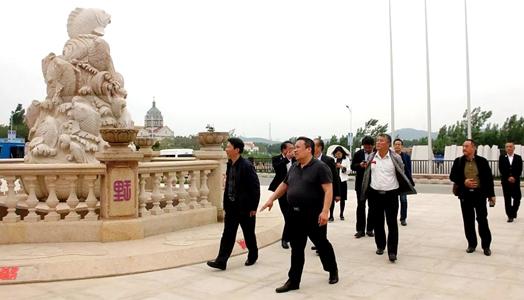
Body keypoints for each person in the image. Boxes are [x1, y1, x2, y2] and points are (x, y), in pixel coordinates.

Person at [261, 137, 339, 293]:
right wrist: (271, 199)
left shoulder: (320, 167)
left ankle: (332, 269)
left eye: (297, 147)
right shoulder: (294, 167)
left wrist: (325, 211)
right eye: (293, 148)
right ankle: (293, 280)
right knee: (296, 249)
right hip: (294, 215)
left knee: (321, 244)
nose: (294, 150)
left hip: (313, 214)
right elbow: (284, 184)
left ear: (308, 149)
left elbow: (328, 190)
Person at [207, 137, 261, 270]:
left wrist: (254, 207)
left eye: (228, 146)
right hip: (231, 207)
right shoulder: (230, 164)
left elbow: (255, 188)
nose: (226, 149)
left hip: (245, 207)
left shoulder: (247, 166)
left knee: (248, 233)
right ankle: (221, 261)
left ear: (237, 150)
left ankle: (253, 255)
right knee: (227, 234)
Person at [361, 134, 416, 263]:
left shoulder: (395, 157)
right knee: (378, 222)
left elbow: (401, 172)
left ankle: (392, 251)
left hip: (391, 194)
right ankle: (380, 246)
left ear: (388, 144)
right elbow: (367, 173)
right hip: (375, 194)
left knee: (392, 223)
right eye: (377, 141)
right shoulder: (371, 156)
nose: (378, 143)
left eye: (381, 141)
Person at [450, 139, 496, 256]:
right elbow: (452, 176)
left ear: (473, 148)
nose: (464, 148)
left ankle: (486, 246)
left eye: (466, 146)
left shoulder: (482, 161)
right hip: (465, 195)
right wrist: (463, 181)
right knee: (468, 220)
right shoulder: (458, 161)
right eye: (463, 146)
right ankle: (471, 244)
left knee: (482, 220)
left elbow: (488, 179)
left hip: (479, 195)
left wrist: (491, 195)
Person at [269, 141, 295, 249]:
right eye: (291, 148)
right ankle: (285, 239)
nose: (293, 150)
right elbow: (278, 169)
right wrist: (286, 159)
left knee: (292, 215)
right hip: (281, 191)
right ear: (284, 150)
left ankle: (288, 236)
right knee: (287, 215)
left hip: (294, 190)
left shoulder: (296, 159)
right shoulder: (276, 159)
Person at [351, 136, 375, 238]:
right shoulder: (358, 154)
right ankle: (360, 230)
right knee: (361, 206)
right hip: (360, 184)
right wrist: (360, 165)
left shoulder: (376, 154)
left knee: (372, 207)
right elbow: (352, 167)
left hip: (374, 184)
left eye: (369, 147)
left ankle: (370, 229)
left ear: (372, 146)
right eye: (366, 147)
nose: (368, 149)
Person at [314, 138, 341, 222]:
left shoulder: (328, 160)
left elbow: (335, 177)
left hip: (325, 191)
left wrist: (337, 194)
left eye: (313, 145)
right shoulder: (308, 159)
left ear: (320, 147)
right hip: (312, 192)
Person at [498, 141, 522, 222]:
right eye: (507, 147)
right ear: (505, 148)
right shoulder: (502, 157)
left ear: (514, 148)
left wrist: (514, 177)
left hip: (515, 181)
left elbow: (520, 169)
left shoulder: (518, 158)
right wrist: (508, 177)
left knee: (517, 198)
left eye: (510, 146)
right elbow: (501, 169)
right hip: (506, 181)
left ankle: (513, 211)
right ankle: (510, 216)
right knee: (507, 199)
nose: (509, 148)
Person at [393, 138, 415, 226]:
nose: (397, 146)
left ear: (402, 146)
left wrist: (410, 181)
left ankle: (403, 218)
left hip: (403, 182)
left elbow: (408, 170)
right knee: (393, 202)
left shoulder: (406, 157)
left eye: (399, 144)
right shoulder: (391, 156)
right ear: (393, 146)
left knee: (403, 200)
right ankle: (393, 217)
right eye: (396, 144)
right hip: (393, 181)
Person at [332, 146, 351, 220]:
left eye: (340, 153)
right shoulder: (332, 159)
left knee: (342, 199)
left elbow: (349, 171)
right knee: (332, 199)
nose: (338, 155)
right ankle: (331, 215)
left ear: (342, 153)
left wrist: (342, 167)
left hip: (342, 180)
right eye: (337, 154)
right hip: (334, 181)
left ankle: (341, 214)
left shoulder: (346, 160)